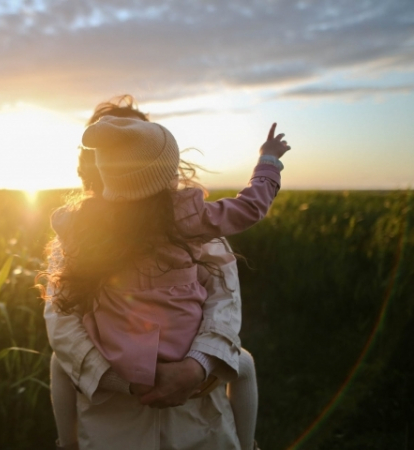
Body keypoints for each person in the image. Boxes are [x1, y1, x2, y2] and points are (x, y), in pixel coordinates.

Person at [42, 96, 290, 450]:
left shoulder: (82, 227)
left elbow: (224, 301)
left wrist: (195, 368)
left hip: (195, 412)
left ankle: (65, 445)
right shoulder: (191, 219)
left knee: (58, 366)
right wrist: (268, 163)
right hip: (113, 414)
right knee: (244, 363)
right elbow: (62, 321)